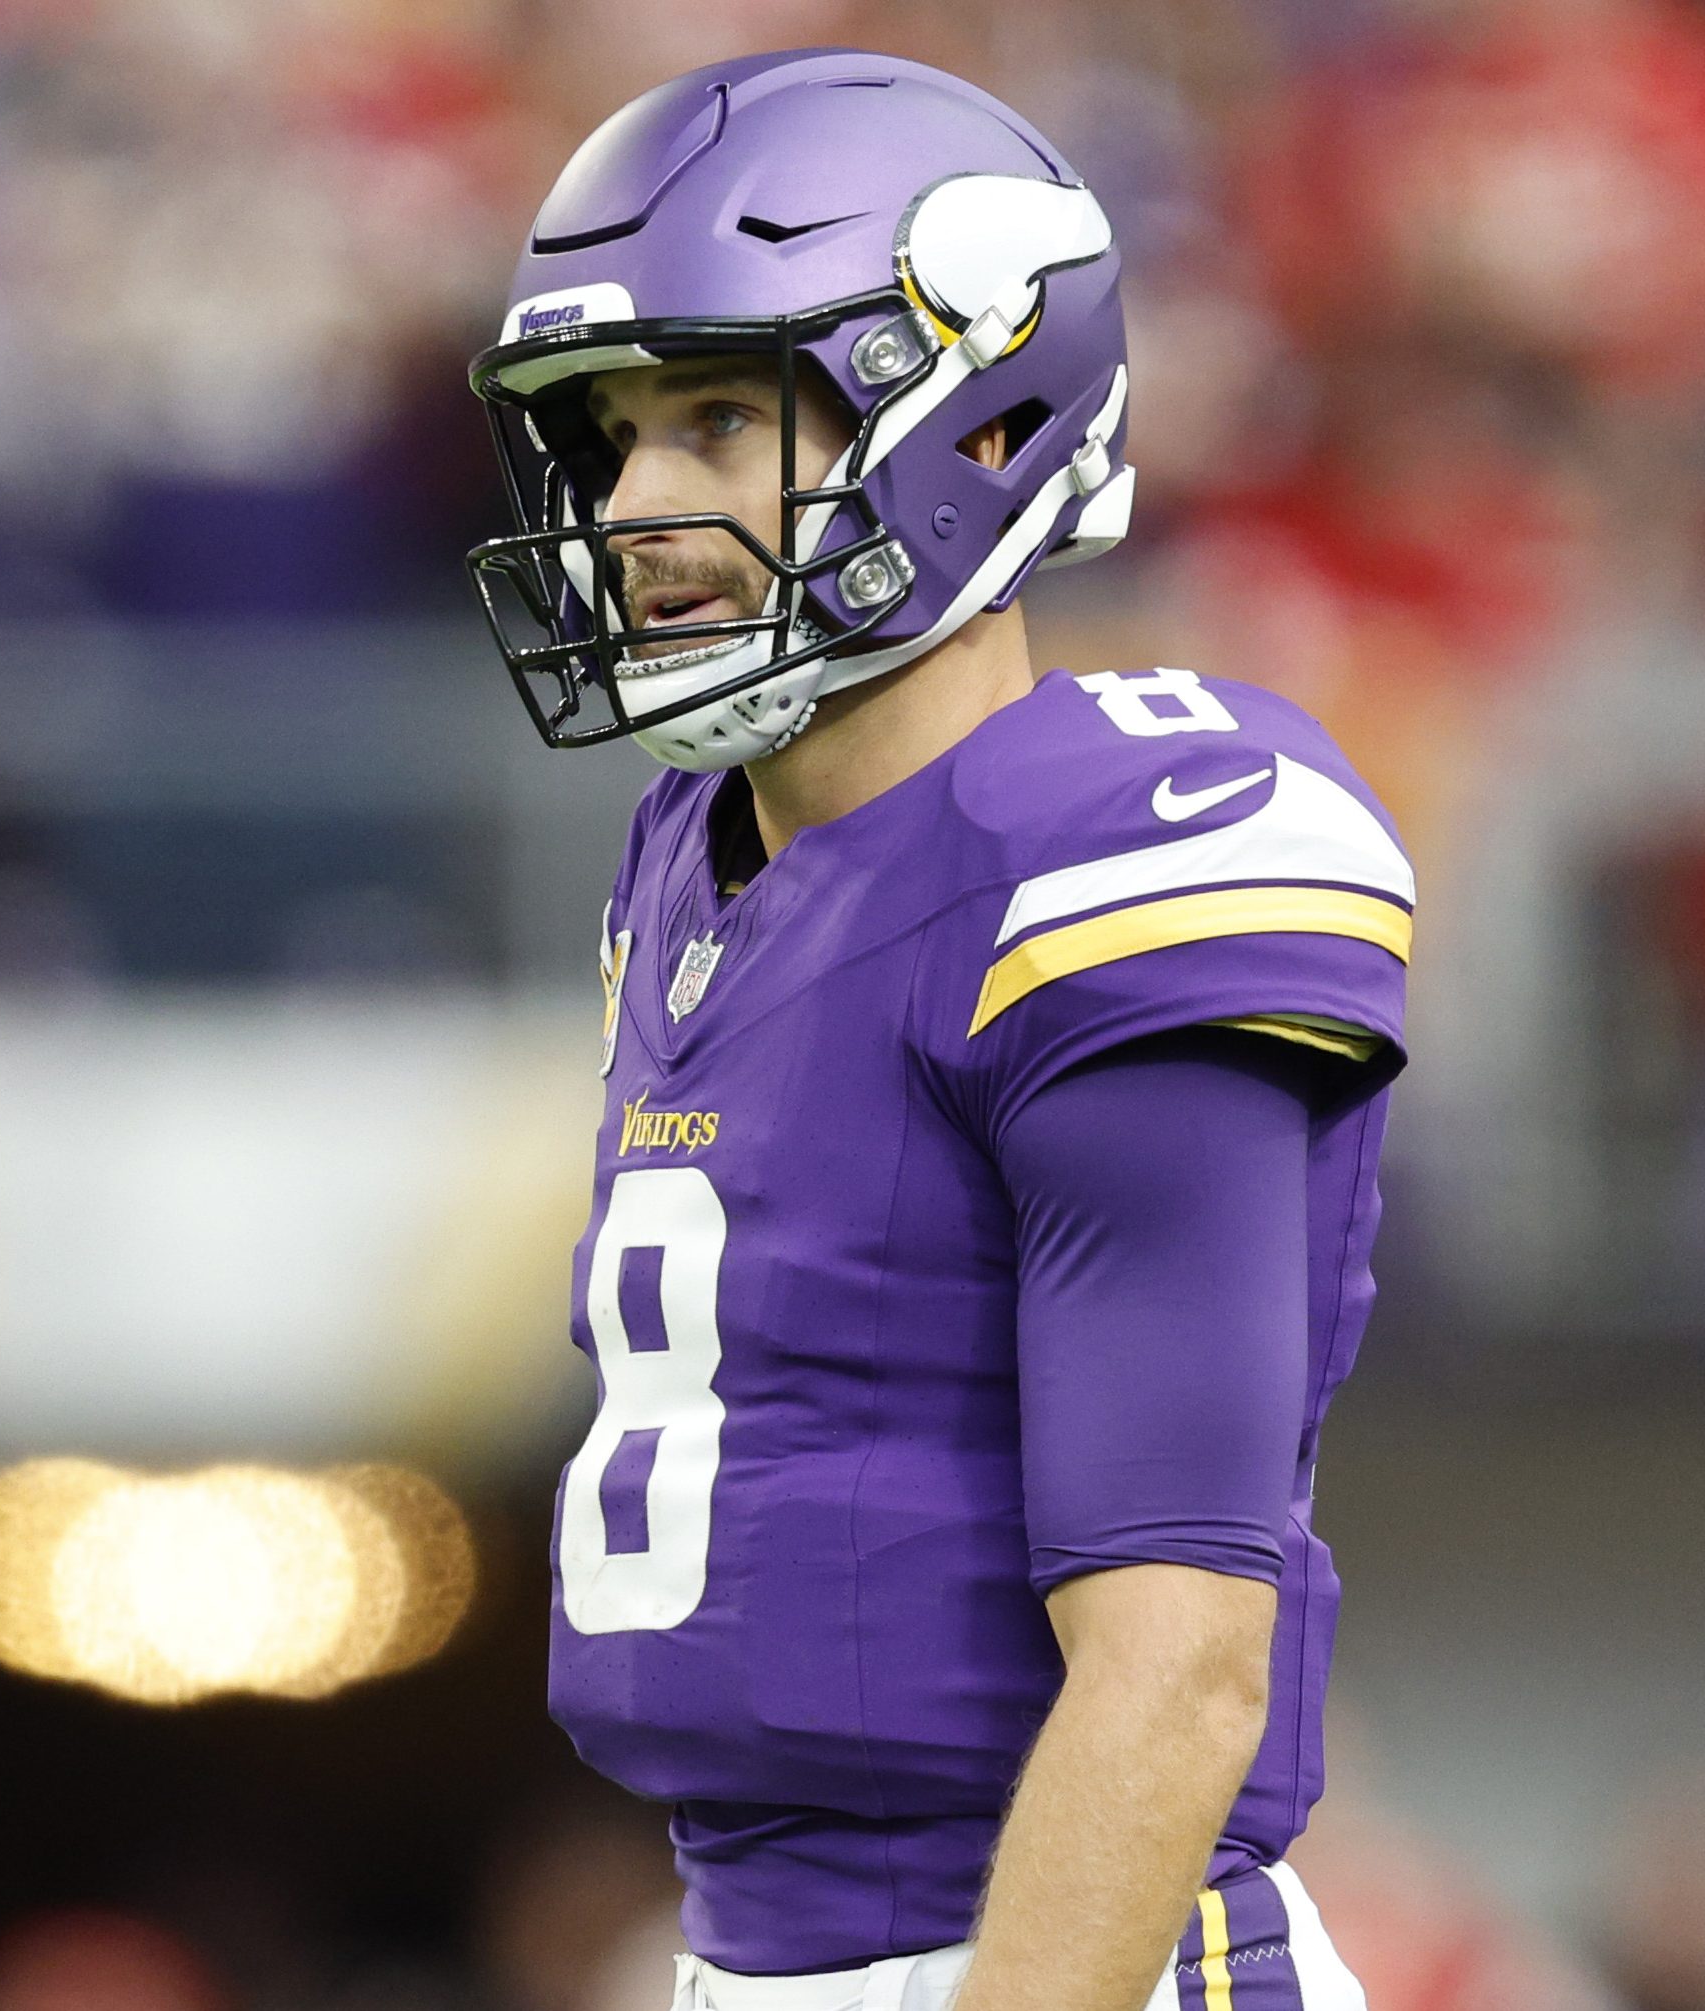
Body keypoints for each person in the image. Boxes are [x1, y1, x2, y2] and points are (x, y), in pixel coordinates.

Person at [462, 50, 1411, 2011]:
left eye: (718, 417)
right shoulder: (692, 853)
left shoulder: (1106, 848)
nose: (636, 505)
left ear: (975, 421)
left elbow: (1176, 1665)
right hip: (752, 1945)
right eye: (615, 437)